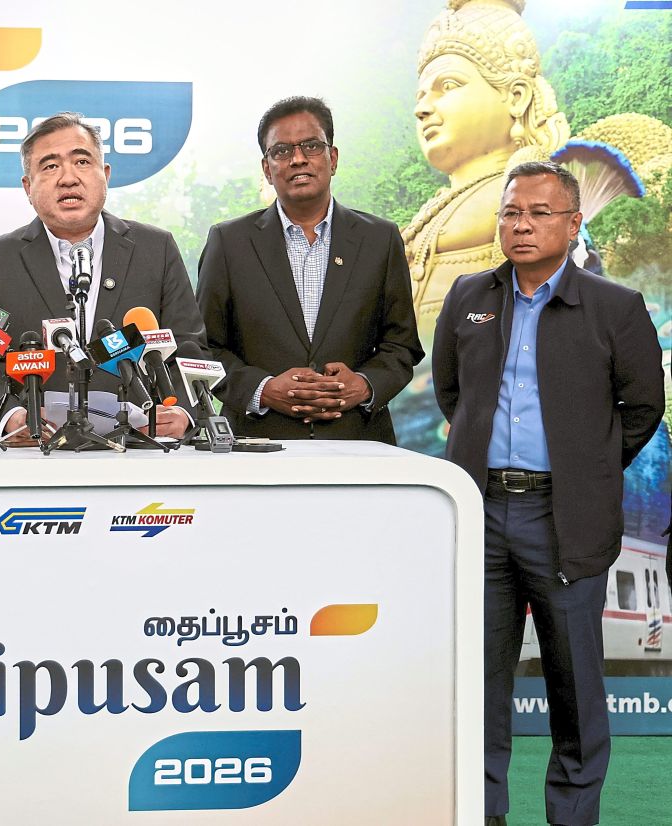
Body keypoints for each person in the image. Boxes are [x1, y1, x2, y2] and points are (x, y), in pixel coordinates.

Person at [432, 161, 664, 826]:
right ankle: (484, 814)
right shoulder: (468, 297)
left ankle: (571, 818)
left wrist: (587, 468)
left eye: (538, 213)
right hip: (478, 516)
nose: (522, 225)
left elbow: (642, 406)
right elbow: (454, 393)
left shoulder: (615, 308)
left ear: (572, 222)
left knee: (575, 689)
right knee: (479, 689)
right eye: (511, 213)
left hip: (564, 519)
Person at [0, 112, 205, 441]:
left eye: (81, 161)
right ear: (27, 187)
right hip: (36, 448)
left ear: (104, 175)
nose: (67, 178)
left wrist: (181, 413)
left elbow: (188, 344)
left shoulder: (155, 248)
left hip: (139, 444)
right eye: (49, 166)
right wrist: (8, 416)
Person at [196, 96, 423, 443]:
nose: (298, 158)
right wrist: (263, 389)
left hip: (359, 443)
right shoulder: (229, 242)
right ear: (266, 168)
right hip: (259, 446)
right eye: (282, 151)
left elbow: (401, 345)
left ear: (332, 159)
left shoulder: (380, 238)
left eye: (311, 146)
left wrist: (363, 386)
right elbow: (203, 348)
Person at [405, 0, 570, 334]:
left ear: (516, 96)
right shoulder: (434, 209)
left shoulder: (536, 194)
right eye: (420, 95)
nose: (422, 108)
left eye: (447, 85)